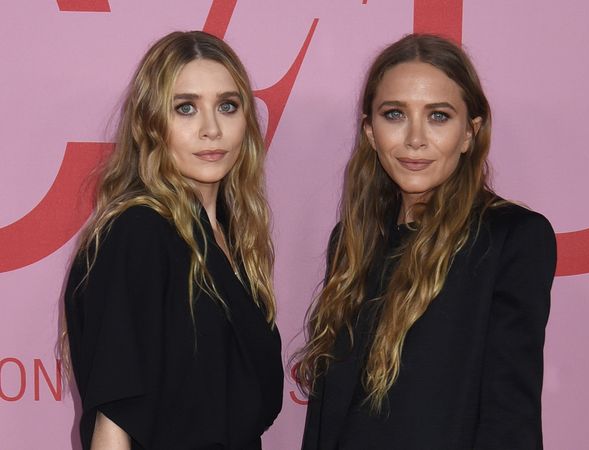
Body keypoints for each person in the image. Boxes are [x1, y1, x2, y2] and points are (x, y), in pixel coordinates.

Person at [295, 34, 556, 450]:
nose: (415, 138)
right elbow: (327, 414)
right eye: (394, 114)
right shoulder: (352, 240)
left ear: (469, 133)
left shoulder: (511, 237)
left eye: (438, 116)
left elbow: (510, 417)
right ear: (370, 131)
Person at [63, 31, 283, 450]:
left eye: (227, 106)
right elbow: (114, 419)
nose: (211, 129)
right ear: (149, 124)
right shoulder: (139, 232)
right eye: (185, 108)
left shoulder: (233, 237)